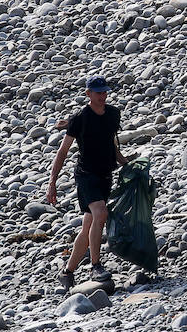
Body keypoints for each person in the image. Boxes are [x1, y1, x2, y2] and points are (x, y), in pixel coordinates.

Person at [47, 75, 130, 289]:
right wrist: (52, 182)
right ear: (88, 94)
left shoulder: (113, 114)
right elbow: (63, 151)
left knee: (88, 227)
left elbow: (110, 144)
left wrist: (126, 164)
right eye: (98, 92)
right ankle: (96, 265)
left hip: (105, 174)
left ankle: (67, 272)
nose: (102, 95)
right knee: (100, 214)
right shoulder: (80, 119)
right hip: (86, 175)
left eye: (104, 92)